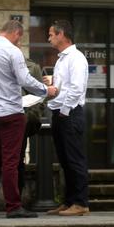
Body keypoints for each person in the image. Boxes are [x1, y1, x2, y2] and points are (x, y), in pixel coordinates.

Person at [0, 20, 57, 219]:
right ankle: (13, 207)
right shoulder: (13, 52)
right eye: (20, 38)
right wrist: (46, 90)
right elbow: (25, 80)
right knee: (11, 162)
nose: (20, 42)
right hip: (11, 113)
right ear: (17, 34)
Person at [45, 20, 90, 216]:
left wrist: (64, 111)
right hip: (60, 112)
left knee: (74, 159)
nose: (49, 38)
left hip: (69, 113)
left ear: (61, 34)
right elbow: (65, 86)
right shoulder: (62, 58)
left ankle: (80, 203)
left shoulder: (76, 58)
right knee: (64, 160)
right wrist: (52, 83)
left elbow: (76, 88)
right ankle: (69, 201)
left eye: (51, 34)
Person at [18, 58, 47, 196]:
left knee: (18, 159)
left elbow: (40, 96)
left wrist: (32, 116)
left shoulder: (32, 67)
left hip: (22, 120)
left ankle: (15, 202)